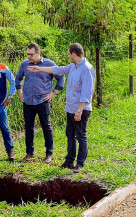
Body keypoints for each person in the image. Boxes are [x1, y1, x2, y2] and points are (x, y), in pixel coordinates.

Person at [27, 43, 95, 173]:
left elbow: (87, 92)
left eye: (69, 54)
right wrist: (39, 69)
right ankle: (69, 161)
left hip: (81, 109)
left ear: (74, 54)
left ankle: (80, 164)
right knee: (70, 135)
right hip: (70, 108)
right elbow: (57, 69)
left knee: (81, 135)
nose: (68, 56)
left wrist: (79, 110)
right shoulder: (72, 66)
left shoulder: (86, 69)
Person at [15, 43, 65, 164]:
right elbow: (18, 78)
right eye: (27, 54)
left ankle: (49, 154)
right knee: (28, 127)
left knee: (46, 126)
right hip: (28, 101)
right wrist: (20, 92)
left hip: (42, 101)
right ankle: (29, 152)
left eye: (31, 54)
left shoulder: (49, 64)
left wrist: (54, 93)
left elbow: (61, 77)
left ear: (38, 53)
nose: (29, 57)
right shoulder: (24, 64)